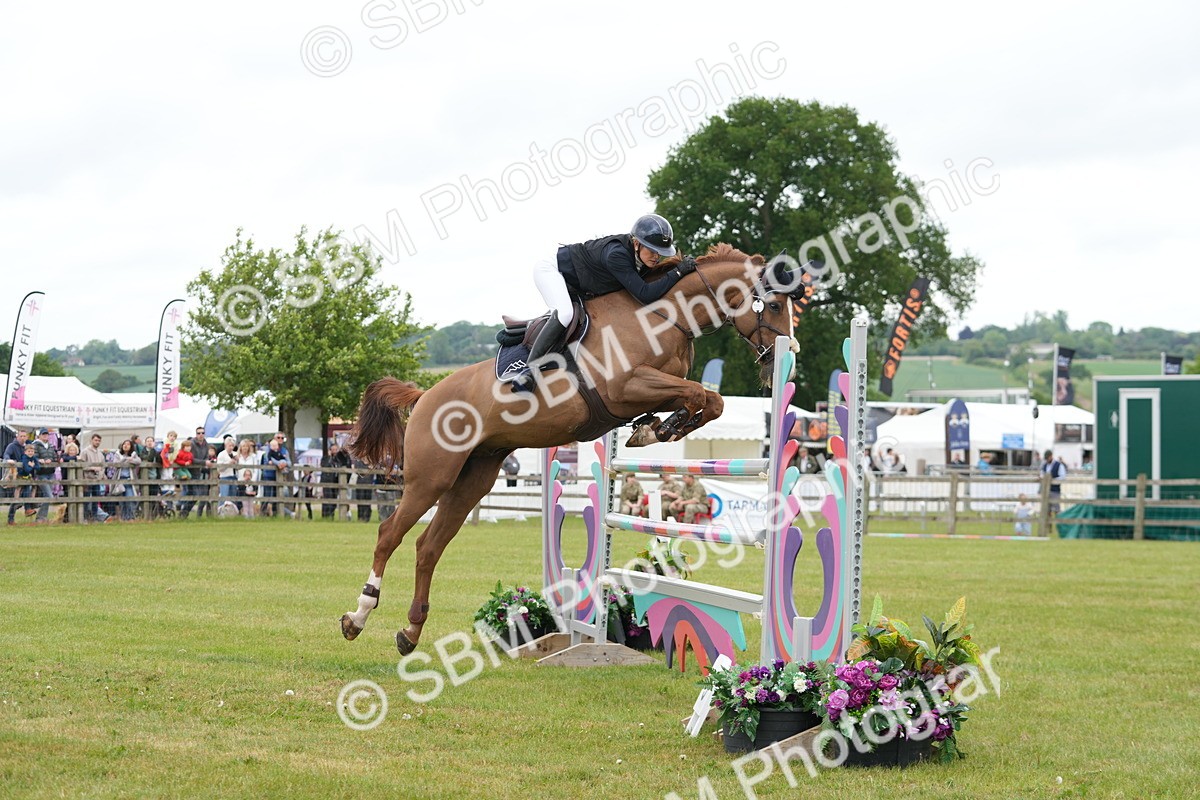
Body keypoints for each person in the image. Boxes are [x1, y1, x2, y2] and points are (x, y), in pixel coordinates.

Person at [508, 213, 695, 386]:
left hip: (580, 283)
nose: (657, 256)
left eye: (660, 252)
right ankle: (528, 371)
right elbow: (646, 294)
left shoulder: (639, 258)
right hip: (552, 272)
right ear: (636, 243)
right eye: (652, 250)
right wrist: (678, 272)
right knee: (565, 314)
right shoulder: (617, 255)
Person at [180, 426, 211, 519]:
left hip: (198, 473)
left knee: (192, 494)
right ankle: (183, 511)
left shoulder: (206, 444)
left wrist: (206, 462)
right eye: (198, 433)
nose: (201, 435)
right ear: (196, 434)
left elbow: (206, 456)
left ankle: (183, 513)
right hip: (188, 472)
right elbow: (190, 458)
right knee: (194, 494)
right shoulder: (192, 444)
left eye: (202, 433)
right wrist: (203, 462)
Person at [79, 434, 111, 523]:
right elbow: (81, 465)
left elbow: (103, 466)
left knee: (95, 500)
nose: (97, 442)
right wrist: (92, 468)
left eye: (99, 441)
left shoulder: (100, 454)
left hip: (97, 480)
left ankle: (94, 518)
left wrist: (102, 475)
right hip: (87, 479)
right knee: (86, 499)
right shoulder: (85, 452)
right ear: (91, 440)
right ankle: (85, 518)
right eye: (96, 440)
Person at [6, 441, 37, 525]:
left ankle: (27, 509)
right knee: (16, 500)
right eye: (21, 436)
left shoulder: (28, 450)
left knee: (27, 493)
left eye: (24, 436)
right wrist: (8, 460)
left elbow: (35, 463)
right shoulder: (12, 446)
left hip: (27, 478)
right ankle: (11, 519)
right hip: (18, 477)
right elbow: (6, 455)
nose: (23, 438)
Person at [259, 438, 291, 517]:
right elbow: (269, 459)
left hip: (278, 477)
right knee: (267, 495)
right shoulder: (267, 452)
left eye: (282, 438)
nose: (280, 439)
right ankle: (263, 513)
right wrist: (279, 464)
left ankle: (275, 513)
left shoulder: (283, 451)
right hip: (268, 475)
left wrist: (284, 463)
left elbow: (288, 461)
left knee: (277, 495)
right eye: (278, 437)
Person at [31, 429, 57, 523]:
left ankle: (42, 517)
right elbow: (33, 456)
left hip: (50, 472)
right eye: (43, 434)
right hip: (41, 473)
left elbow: (55, 457)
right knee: (49, 496)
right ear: (40, 436)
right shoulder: (35, 445)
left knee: (47, 495)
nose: (45, 436)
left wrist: (51, 460)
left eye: (46, 434)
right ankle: (40, 517)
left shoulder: (51, 446)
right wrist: (39, 460)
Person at [111, 439, 142, 521]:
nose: (126, 445)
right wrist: (125, 460)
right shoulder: (117, 454)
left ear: (131, 446)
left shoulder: (134, 454)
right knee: (122, 501)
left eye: (128, 444)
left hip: (130, 480)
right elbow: (115, 464)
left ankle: (131, 517)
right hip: (120, 480)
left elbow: (138, 461)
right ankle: (124, 518)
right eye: (124, 444)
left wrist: (131, 459)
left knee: (130, 498)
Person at [320, 443, 351, 519]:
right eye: (332, 450)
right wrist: (330, 457)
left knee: (334, 500)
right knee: (327, 499)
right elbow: (325, 466)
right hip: (327, 481)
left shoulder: (339, 459)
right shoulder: (325, 458)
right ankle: (325, 516)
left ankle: (331, 516)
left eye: (336, 450)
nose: (334, 451)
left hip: (335, 481)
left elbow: (346, 464)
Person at [1041, 449, 1067, 530]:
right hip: (1046, 491)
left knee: (1057, 510)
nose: (1046, 460)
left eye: (1047, 458)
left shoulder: (1059, 465)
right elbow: (1042, 474)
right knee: (1047, 510)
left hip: (1055, 490)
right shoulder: (1044, 465)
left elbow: (1062, 477)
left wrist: (1052, 480)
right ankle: (1049, 528)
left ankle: (1060, 527)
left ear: (1051, 456)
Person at [235, 439, 259, 517]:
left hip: (251, 481)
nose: (245, 448)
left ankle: (251, 516)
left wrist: (252, 480)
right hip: (241, 481)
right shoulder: (238, 456)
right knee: (243, 501)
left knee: (251, 501)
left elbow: (256, 469)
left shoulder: (253, 456)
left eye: (246, 446)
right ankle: (244, 516)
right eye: (243, 446)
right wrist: (240, 480)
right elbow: (236, 470)